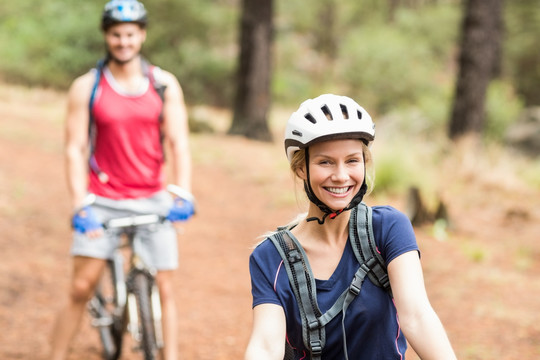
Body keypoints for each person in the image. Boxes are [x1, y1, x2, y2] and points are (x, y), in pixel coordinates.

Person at [244, 94, 457, 359]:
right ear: (301, 169)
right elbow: (266, 345)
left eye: (352, 160)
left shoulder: (388, 229)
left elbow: (417, 316)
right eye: (325, 162)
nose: (341, 175)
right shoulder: (270, 258)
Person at [49, 1, 194, 359]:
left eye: (130, 34)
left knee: (165, 287)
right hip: (102, 199)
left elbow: (179, 144)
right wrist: (79, 204)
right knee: (80, 288)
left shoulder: (163, 84)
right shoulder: (87, 86)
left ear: (142, 35)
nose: (123, 41)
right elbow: (74, 148)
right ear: (106, 36)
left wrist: (183, 193)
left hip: (153, 197)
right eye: (116, 34)